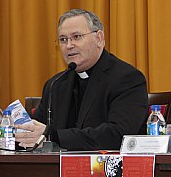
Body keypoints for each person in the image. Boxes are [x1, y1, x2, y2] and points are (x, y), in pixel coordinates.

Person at [15, 9, 148, 151]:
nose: (69, 45)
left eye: (77, 37)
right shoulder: (56, 84)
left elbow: (118, 135)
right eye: (63, 39)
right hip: (56, 170)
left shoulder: (127, 78)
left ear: (99, 38)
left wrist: (53, 136)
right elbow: (37, 131)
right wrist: (15, 131)